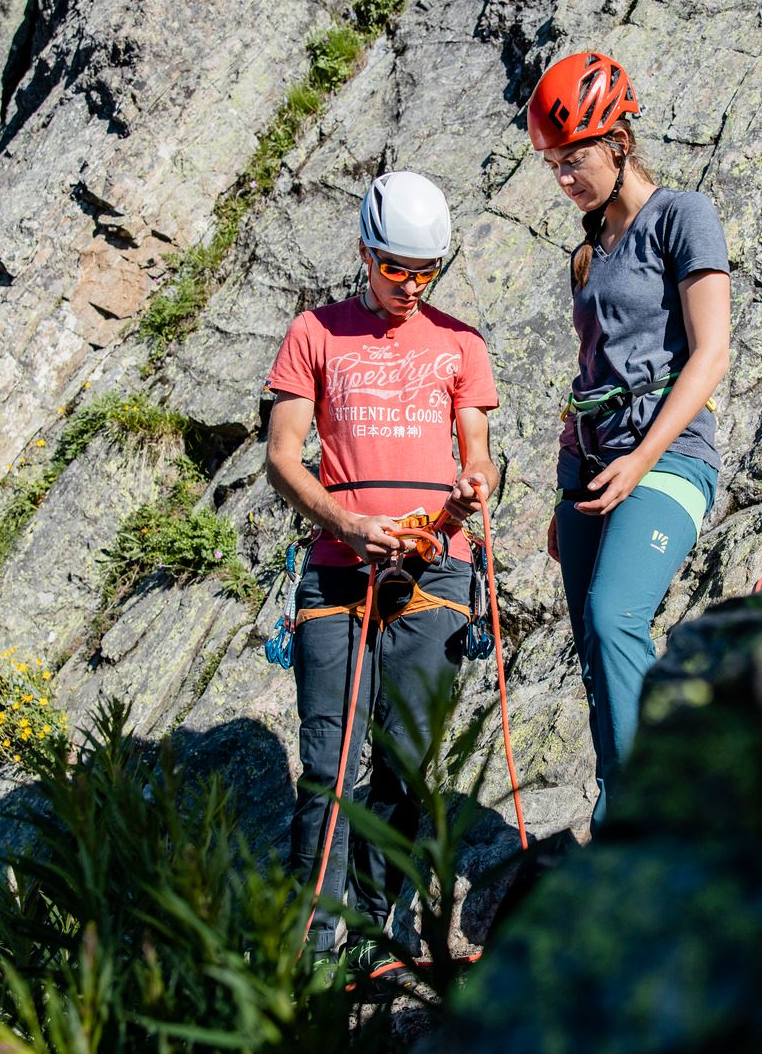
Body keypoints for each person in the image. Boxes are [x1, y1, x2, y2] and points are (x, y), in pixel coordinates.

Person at [263, 170, 500, 973]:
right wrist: (346, 522)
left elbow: (479, 453)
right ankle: (309, 950)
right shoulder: (314, 334)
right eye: (397, 267)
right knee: (331, 764)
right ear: (366, 252)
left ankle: (370, 930)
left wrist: (473, 489)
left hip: (437, 564)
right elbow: (281, 457)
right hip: (338, 566)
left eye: (426, 270)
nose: (411, 285)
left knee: (404, 757)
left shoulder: (461, 342)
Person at [526, 53, 732, 823]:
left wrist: (641, 457)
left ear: (617, 140)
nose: (565, 179)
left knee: (616, 617)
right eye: (553, 165)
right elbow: (588, 378)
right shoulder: (588, 254)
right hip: (588, 470)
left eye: (573, 159)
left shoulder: (682, 216)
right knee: (595, 654)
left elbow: (711, 353)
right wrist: (564, 487)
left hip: (669, 459)